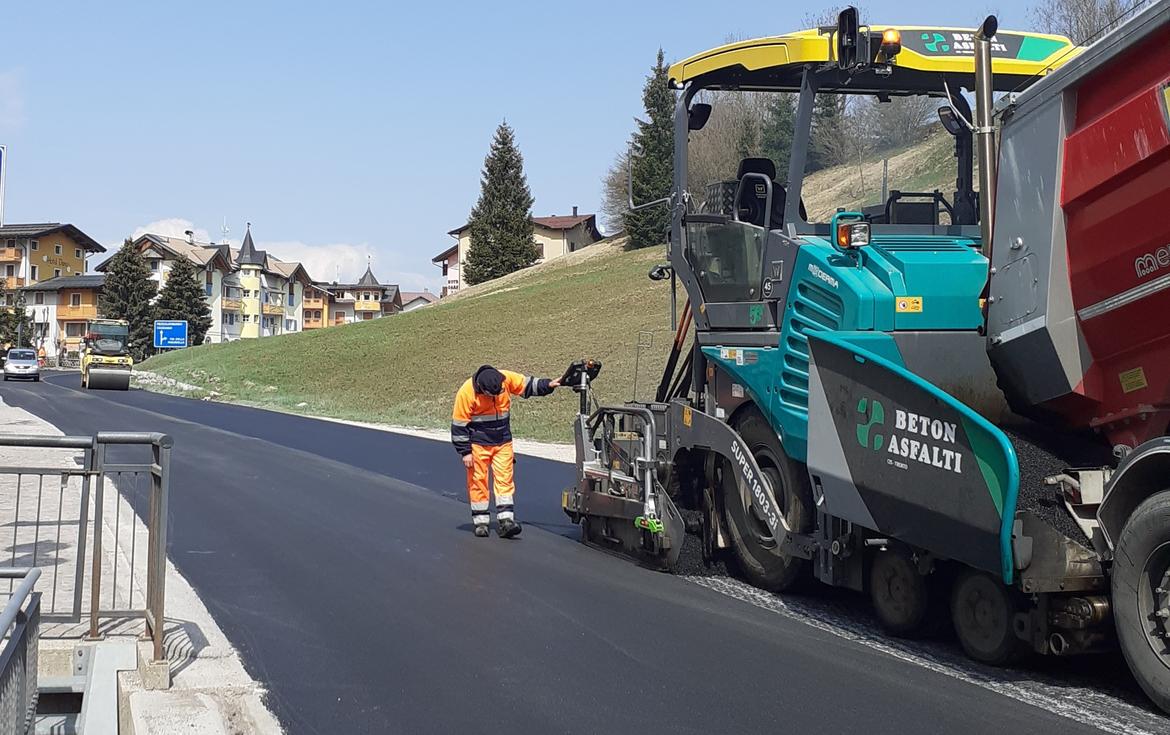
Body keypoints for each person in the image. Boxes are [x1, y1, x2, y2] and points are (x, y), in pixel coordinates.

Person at [451, 365, 560, 538]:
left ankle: (506, 520)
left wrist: (548, 385)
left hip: (503, 441)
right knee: (478, 481)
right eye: (491, 395)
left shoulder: (505, 378)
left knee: (505, 479)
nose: (496, 396)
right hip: (478, 444)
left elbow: (526, 385)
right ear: (482, 388)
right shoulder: (466, 392)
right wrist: (465, 452)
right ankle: (481, 522)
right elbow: (459, 425)